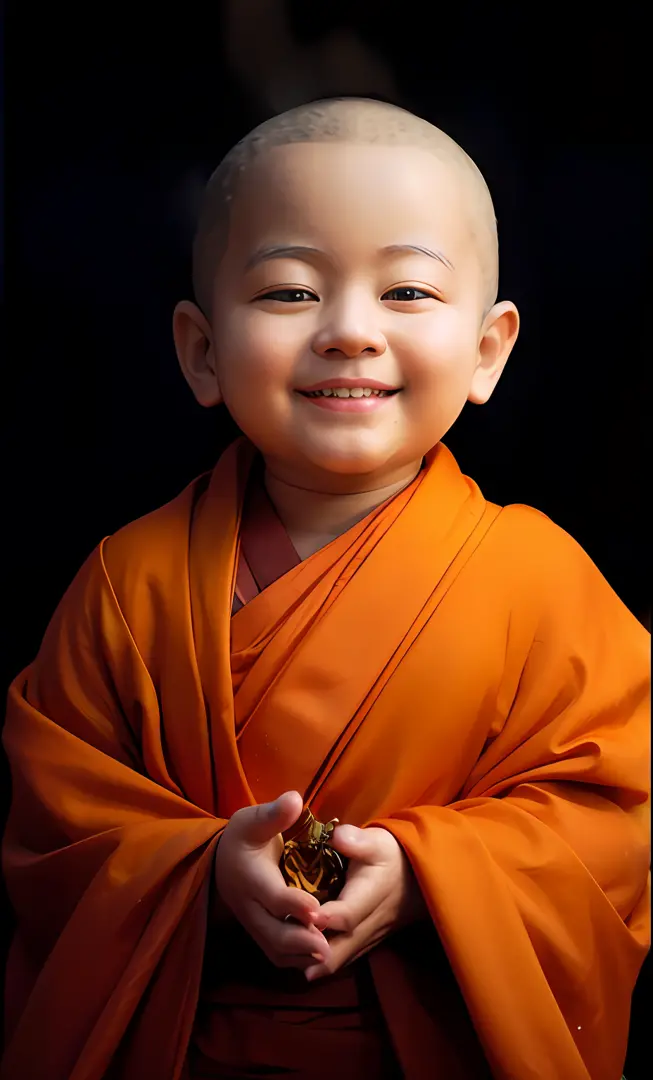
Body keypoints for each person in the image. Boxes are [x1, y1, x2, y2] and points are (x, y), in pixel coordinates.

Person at [1, 98, 649, 1080]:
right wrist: (198, 875)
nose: (348, 331)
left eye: (406, 293)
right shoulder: (127, 586)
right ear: (201, 350)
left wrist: (434, 879)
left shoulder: (541, 582)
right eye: (291, 293)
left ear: (487, 351)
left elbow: (615, 822)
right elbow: (55, 835)